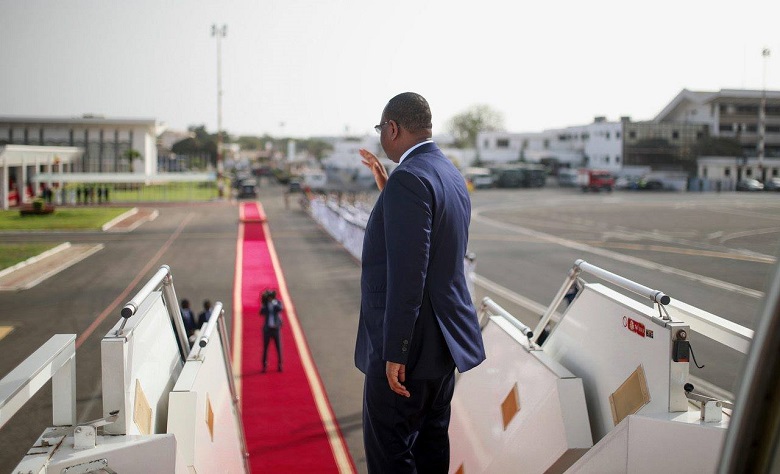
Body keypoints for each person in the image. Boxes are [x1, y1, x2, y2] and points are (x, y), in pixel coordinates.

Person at [354, 92, 486, 473]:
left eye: (381, 129)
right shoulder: (448, 173)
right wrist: (387, 191)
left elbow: (409, 275)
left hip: (407, 351)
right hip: (444, 345)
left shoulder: (408, 180)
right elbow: (432, 236)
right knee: (430, 447)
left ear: (393, 128)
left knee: (390, 456)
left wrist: (396, 350)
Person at [260, 289, 284, 372]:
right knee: (265, 348)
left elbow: (281, 308)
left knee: (278, 348)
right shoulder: (265, 305)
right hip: (267, 329)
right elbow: (261, 312)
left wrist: (274, 303)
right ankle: (264, 365)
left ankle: (280, 364)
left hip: (275, 329)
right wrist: (265, 304)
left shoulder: (277, 303)